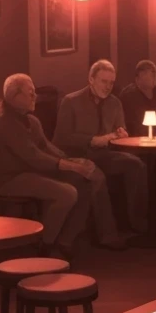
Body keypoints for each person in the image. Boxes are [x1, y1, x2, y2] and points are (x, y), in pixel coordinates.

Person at [0, 73, 125, 257]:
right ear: (14, 96)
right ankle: (44, 244)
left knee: (85, 182)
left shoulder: (30, 119)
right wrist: (70, 166)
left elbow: (46, 147)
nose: (35, 96)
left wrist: (71, 161)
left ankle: (65, 241)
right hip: (7, 179)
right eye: (30, 93)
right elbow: (34, 157)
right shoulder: (3, 122)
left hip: (27, 171)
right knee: (67, 193)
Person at [54, 59, 148, 234]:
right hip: (77, 156)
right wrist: (92, 140)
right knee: (98, 177)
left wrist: (122, 135)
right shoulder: (71, 101)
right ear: (91, 79)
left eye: (111, 82)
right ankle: (108, 235)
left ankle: (137, 224)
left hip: (104, 154)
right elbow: (61, 138)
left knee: (137, 165)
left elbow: (120, 131)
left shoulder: (115, 103)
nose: (108, 87)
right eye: (104, 81)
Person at [119, 58, 156, 137]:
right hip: (133, 141)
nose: (152, 76)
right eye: (146, 73)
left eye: (153, 73)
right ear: (137, 78)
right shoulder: (127, 96)